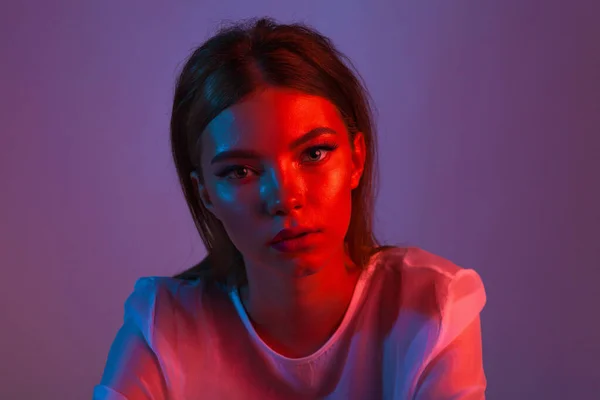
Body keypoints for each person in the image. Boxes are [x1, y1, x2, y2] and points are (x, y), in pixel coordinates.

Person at [94, 17, 487, 400]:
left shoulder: (431, 304)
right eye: (240, 171)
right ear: (206, 194)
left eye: (314, 153)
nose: (284, 198)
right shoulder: (163, 323)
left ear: (356, 158)